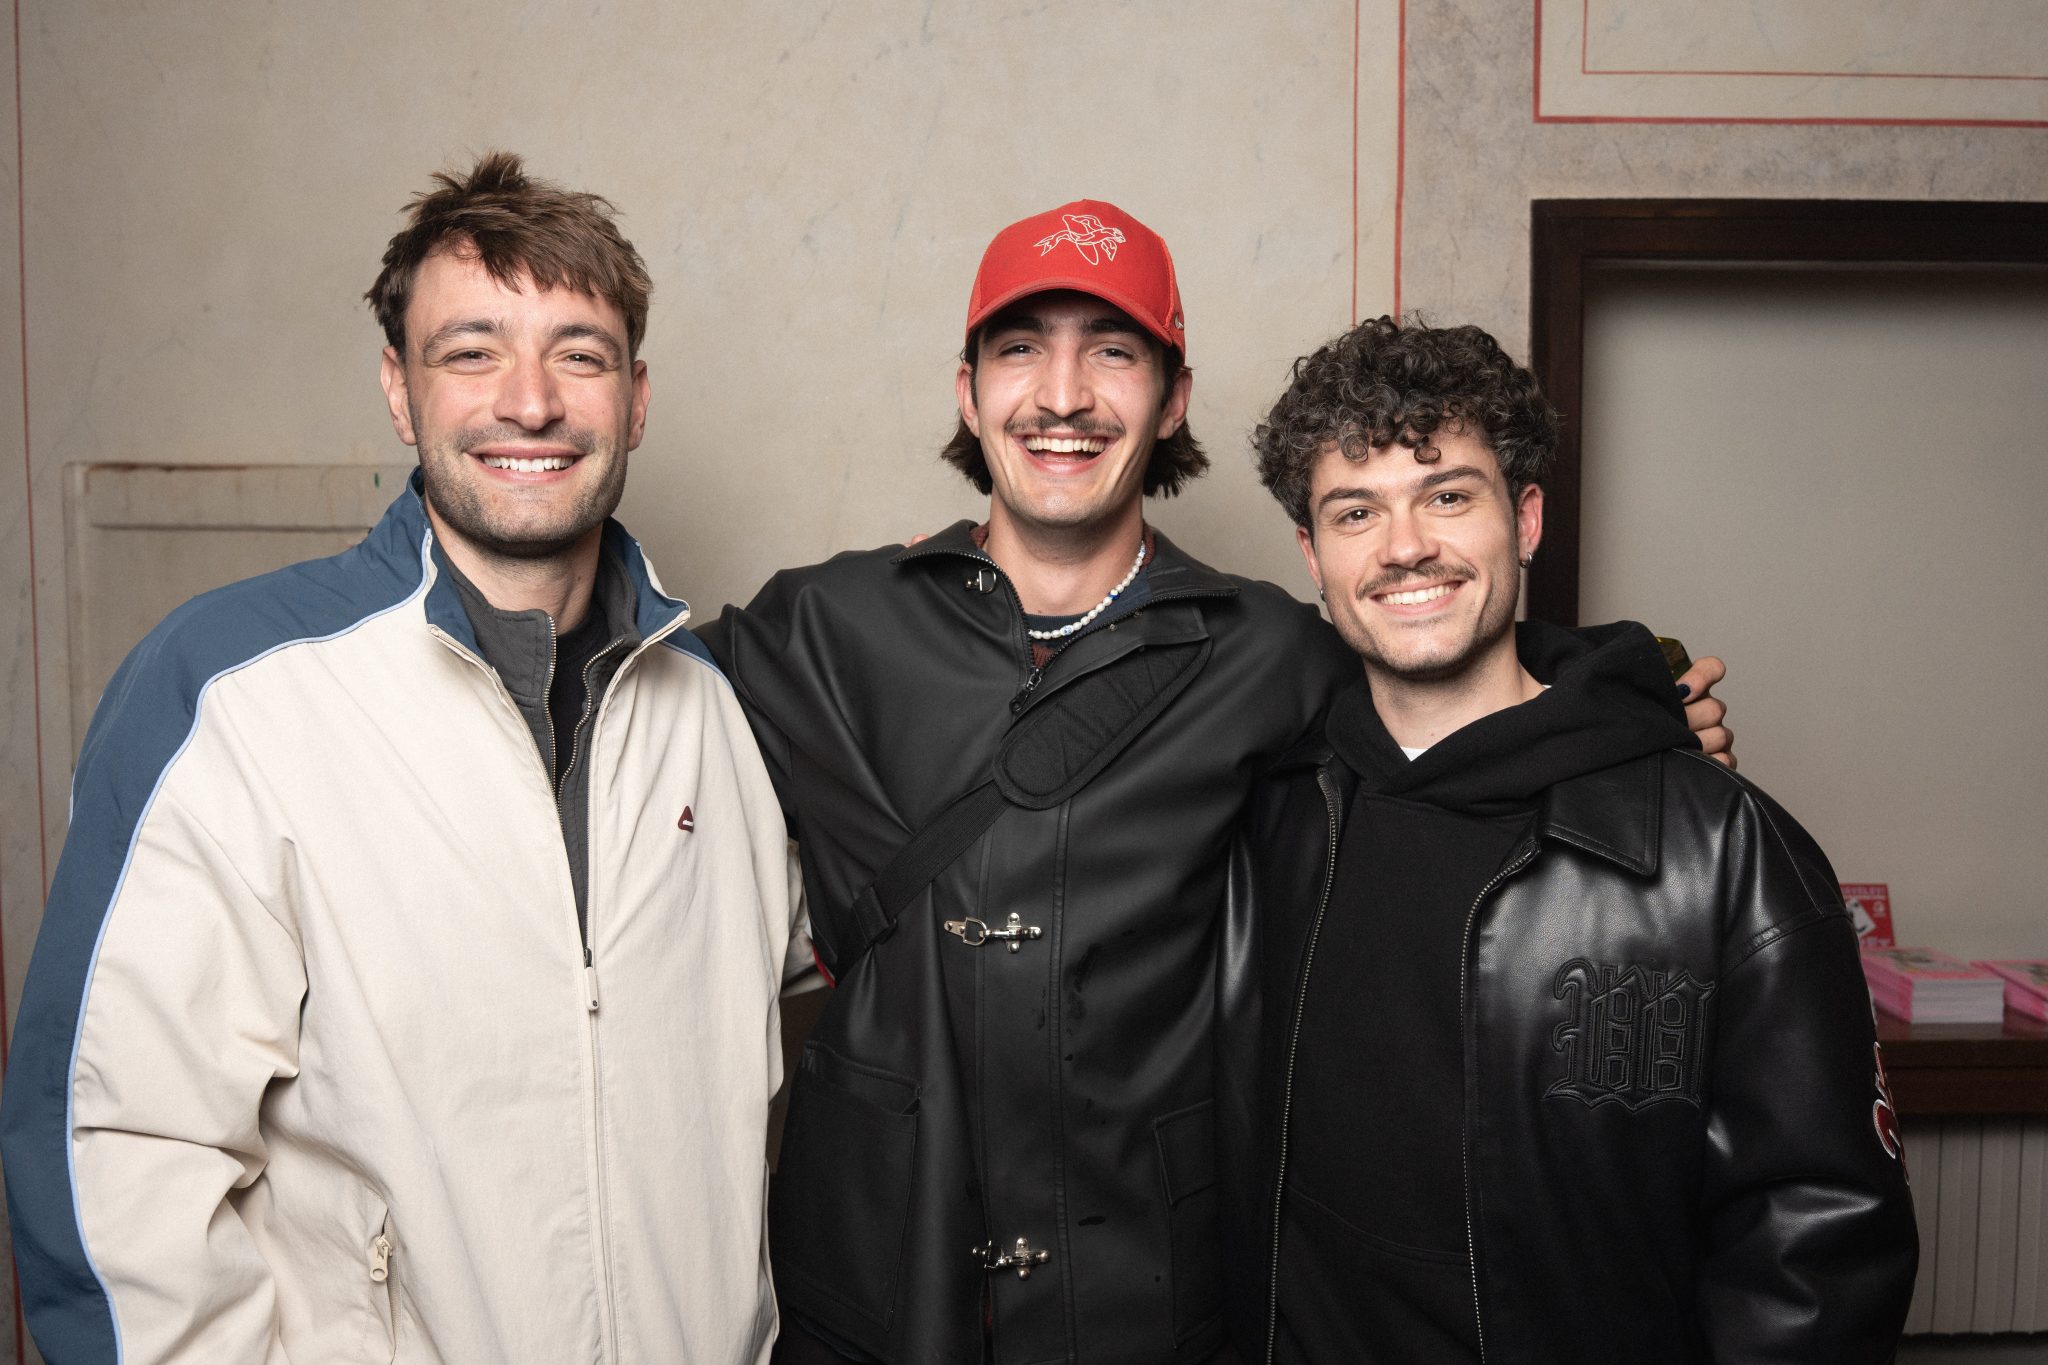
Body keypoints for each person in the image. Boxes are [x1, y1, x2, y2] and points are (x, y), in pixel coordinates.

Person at [701, 203, 1733, 1364]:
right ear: (967, 388)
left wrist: (1624, 710)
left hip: (1142, 1281)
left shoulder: (1271, 654)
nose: (1061, 394)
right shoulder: (819, 625)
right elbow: (620, 705)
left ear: (1172, 398)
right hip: (879, 1267)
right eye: (1020, 349)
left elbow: (1454, 689)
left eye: (1112, 351)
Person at [0, 153, 801, 1364]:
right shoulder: (231, 695)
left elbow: (765, 1088)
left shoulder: (714, 715)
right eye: (470, 351)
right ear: (398, 389)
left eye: (577, 354)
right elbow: (112, 1146)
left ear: (634, 399)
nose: (528, 402)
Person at [1226, 316, 1916, 1364]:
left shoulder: (1719, 849)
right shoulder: (1268, 810)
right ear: (1311, 557)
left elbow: (1816, 1245)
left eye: (1447, 495)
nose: (1403, 545)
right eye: (1354, 510)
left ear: (1526, 518)